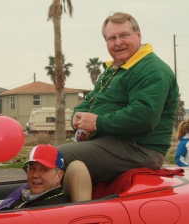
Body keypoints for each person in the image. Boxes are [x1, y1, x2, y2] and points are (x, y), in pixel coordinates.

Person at [57, 12, 179, 186]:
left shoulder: (152, 70)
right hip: (111, 143)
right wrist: (78, 116)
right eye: (111, 38)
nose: (118, 42)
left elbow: (144, 116)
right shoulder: (114, 69)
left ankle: (44, 210)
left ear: (138, 35)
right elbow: (91, 100)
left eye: (124, 35)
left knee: (53, 158)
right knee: (43, 158)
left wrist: (98, 123)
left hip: (140, 149)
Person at [0, 144, 69, 211]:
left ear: (58, 176)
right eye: (32, 168)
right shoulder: (31, 196)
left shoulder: (51, 209)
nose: (35, 175)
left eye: (43, 169)